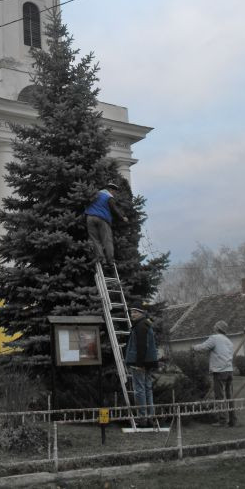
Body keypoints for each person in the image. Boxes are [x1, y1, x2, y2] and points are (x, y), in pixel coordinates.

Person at [192, 320, 237, 427]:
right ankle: (233, 420)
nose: (214, 327)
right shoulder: (229, 341)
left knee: (219, 396)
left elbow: (203, 347)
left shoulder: (215, 338)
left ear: (218, 328)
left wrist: (193, 347)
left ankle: (222, 421)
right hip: (229, 370)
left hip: (219, 371)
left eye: (215, 325)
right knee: (230, 396)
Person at [125, 298, 159, 428]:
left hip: (140, 362)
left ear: (141, 313)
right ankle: (150, 417)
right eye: (131, 312)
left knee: (139, 389)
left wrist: (139, 363)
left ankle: (142, 418)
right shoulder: (145, 324)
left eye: (135, 312)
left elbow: (141, 345)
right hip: (148, 361)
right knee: (147, 389)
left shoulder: (140, 326)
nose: (132, 314)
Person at [84, 182, 127, 266]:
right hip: (102, 219)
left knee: (94, 239)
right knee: (107, 240)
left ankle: (101, 259)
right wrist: (123, 217)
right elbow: (115, 210)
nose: (114, 194)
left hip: (90, 217)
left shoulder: (95, 193)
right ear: (110, 190)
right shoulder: (109, 197)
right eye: (114, 191)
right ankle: (110, 261)